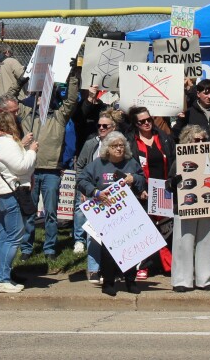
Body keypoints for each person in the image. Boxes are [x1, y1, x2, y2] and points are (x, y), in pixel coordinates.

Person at [18, 64, 81, 260]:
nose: (41, 98)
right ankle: (26, 248)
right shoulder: (26, 116)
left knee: (51, 213)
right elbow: (10, 98)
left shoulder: (59, 117)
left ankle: (50, 248)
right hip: (31, 170)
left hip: (52, 171)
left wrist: (72, 75)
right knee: (28, 212)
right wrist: (23, 79)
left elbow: (71, 100)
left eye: (45, 93)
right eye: (38, 93)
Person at [79, 130, 145, 295]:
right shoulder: (97, 164)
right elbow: (81, 180)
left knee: (130, 246)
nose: (119, 149)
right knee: (108, 249)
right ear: (107, 148)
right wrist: (95, 192)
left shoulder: (131, 163)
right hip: (106, 213)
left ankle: (130, 281)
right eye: (115, 146)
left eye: (122, 145)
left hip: (128, 212)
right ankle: (108, 283)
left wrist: (134, 179)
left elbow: (143, 179)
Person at [0, 111, 36, 293]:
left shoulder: (1, 142)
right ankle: (2, 278)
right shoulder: (6, 143)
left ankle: (2, 274)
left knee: (3, 234)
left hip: (4, 192)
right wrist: (31, 152)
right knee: (14, 235)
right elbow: (21, 166)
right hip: (10, 193)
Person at [127, 106, 173, 280]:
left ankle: (168, 264)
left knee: (165, 228)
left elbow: (173, 160)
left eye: (149, 120)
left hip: (163, 189)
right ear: (136, 124)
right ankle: (143, 265)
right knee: (144, 230)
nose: (146, 123)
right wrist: (139, 189)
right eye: (142, 121)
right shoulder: (131, 142)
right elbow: (130, 168)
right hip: (143, 191)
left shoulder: (163, 138)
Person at [170, 125, 210, 293]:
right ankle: (182, 280)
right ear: (188, 141)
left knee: (207, 241)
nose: (200, 143)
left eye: (203, 140)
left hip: (207, 206)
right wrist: (175, 181)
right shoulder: (179, 160)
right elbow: (169, 185)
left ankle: (205, 279)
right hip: (184, 206)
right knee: (183, 243)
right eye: (197, 140)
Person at [73, 111, 120, 281]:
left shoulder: (120, 144)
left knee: (113, 234)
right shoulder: (90, 144)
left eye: (105, 126)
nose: (101, 128)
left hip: (114, 196)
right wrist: (84, 189)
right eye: (99, 125)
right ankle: (93, 269)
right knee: (93, 233)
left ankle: (111, 270)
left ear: (113, 128)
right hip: (93, 193)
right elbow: (80, 166)